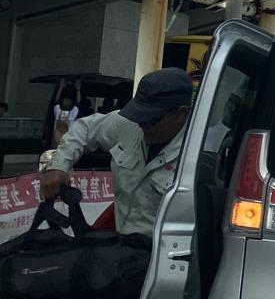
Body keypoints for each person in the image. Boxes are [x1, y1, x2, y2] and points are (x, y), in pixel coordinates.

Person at [40, 68, 193, 237]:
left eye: (151, 119)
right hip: (120, 246)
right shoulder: (128, 125)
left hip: (163, 256)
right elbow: (84, 128)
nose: (142, 124)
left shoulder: (199, 156)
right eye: (138, 116)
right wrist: (58, 166)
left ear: (181, 113)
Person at [50, 83, 80, 147]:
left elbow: (78, 102)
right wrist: (61, 87)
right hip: (56, 141)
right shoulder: (57, 110)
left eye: (69, 100)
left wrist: (78, 90)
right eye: (65, 99)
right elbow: (56, 100)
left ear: (71, 103)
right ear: (62, 102)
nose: (67, 100)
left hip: (68, 142)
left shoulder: (73, 113)